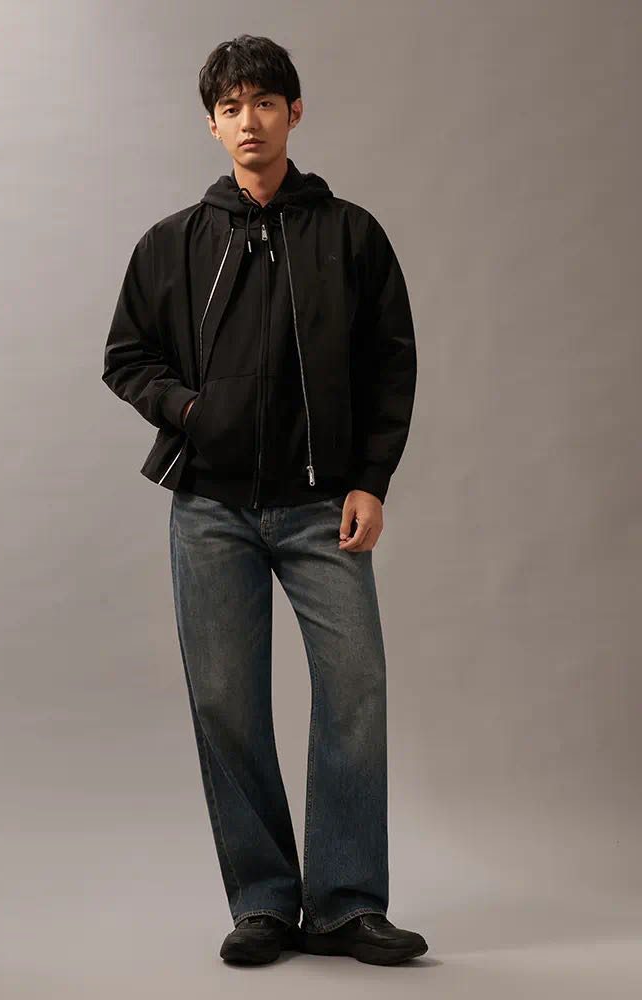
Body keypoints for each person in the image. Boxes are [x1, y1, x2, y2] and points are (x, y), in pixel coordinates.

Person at [101, 33, 428, 967]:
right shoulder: (172, 243)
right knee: (227, 704)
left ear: (295, 113)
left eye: (266, 103)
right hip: (209, 510)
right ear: (213, 123)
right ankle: (263, 903)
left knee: (355, 690)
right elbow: (126, 356)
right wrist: (188, 411)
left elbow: (391, 363)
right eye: (232, 106)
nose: (250, 120)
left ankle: (347, 905)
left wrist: (371, 480)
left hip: (324, 507)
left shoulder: (352, 234)